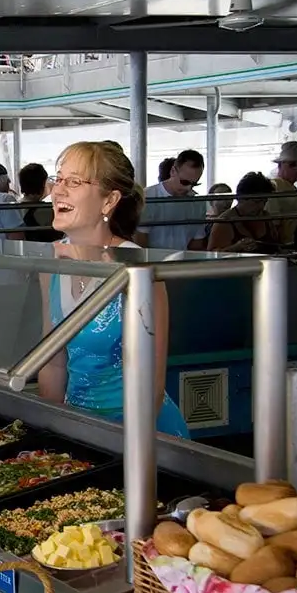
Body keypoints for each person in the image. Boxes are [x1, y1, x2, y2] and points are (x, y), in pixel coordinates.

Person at [38, 141, 189, 439]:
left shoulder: (138, 271)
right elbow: (53, 364)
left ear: (109, 201)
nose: (58, 190)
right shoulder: (51, 262)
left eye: (75, 181)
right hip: (77, 428)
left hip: (137, 431)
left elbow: (150, 385)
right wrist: (49, 436)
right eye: (58, 178)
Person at [135, 149, 208, 251]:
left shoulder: (198, 203)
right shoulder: (148, 197)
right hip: (153, 262)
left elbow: (196, 243)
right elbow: (140, 240)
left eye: (194, 184)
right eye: (184, 182)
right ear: (173, 171)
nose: (188, 188)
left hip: (183, 263)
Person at [208, 172, 280, 253]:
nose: (261, 206)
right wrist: (236, 247)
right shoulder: (225, 222)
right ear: (241, 198)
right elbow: (212, 255)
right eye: (256, 202)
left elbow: (276, 247)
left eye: (264, 201)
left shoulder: (266, 217)